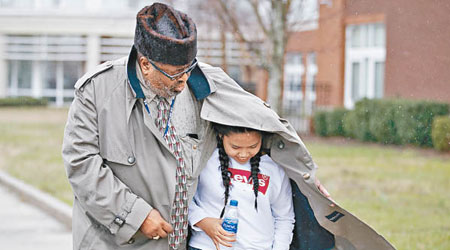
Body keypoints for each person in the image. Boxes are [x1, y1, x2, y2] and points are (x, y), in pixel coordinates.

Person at [62, 2, 394, 250]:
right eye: (175, 75)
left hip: (186, 242)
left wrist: (304, 176)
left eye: (189, 69)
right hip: (118, 241)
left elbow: (263, 124)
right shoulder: (96, 91)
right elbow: (81, 165)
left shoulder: (204, 81)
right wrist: (136, 215)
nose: (184, 83)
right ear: (145, 64)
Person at [188, 123, 295, 250]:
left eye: (252, 146)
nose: (243, 154)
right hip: (205, 246)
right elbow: (183, 197)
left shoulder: (275, 168)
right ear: (221, 136)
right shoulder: (205, 160)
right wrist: (202, 221)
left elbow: (284, 218)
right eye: (235, 147)